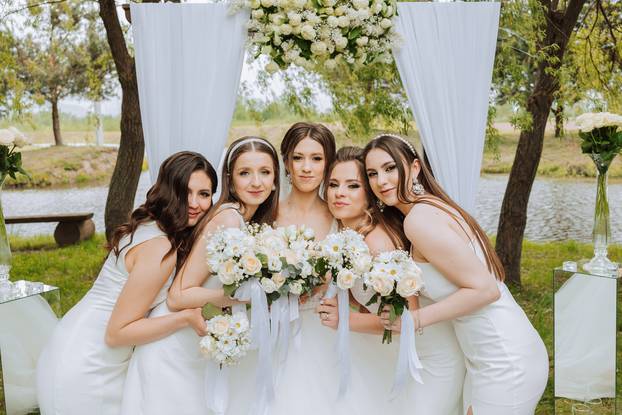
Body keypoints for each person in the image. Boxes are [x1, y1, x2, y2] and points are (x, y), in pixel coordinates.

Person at [364, 134, 549, 415]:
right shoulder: (428, 208)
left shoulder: (419, 219)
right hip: (482, 355)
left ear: (414, 168)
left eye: (390, 168)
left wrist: (415, 320)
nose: (381, 180)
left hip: (503, 354)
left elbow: (487, 290)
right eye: (372, 174)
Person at [36, 151, 217, 415]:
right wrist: (186, 318)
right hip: (88, 364)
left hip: (76, 346)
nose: (194, 203)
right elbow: (117, 333)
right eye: (184, 192)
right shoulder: (160, 247)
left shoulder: (154, 226)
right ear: (167, 191)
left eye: (204, 194)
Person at [120, 136, 280, 415]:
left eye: (265, 172)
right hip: (173, 348)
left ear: (276, 178)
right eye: (245, 173)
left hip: (198, 344)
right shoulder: (228, 219)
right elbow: (178, 295)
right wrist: (245, 298)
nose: (256, 182)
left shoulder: (249, 221)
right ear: (230, 180)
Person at [317, 146, 465, 414]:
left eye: (352, 186)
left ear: (370, 194)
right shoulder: (351, 237)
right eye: (334, 185)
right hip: (398, 353)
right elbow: (374, 301)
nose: (339, 193)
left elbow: (408, 315)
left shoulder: (378, 242)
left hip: (429, 356)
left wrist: (344, 319)